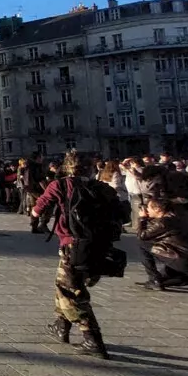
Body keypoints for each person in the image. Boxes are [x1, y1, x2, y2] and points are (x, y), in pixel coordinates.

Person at [31, 150, 116, 359]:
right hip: (100, 245)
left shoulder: (59, 185)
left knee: (71, 291)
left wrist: (35, 215)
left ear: (65, 167)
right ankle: (61, 325)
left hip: (73, 244)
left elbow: (38, 209)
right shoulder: (100, 187)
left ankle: (91, 338)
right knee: (67, 284)